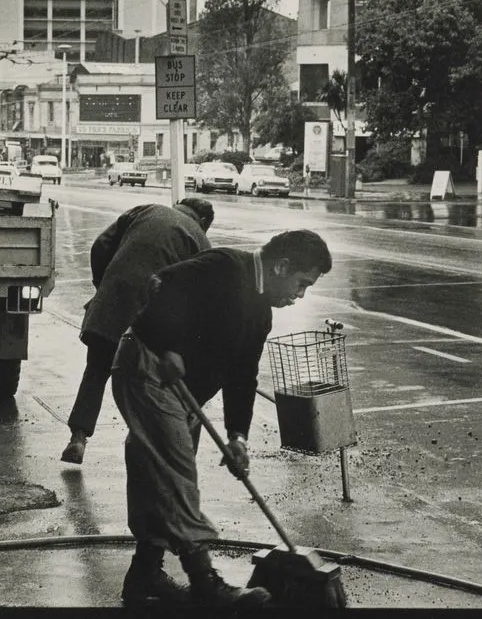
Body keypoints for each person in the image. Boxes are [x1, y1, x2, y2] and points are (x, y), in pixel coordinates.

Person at [112, 229, 332, 608]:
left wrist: (237, 437)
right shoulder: (225, 267)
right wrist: (169, 346)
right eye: (302, 284)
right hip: (151, 368)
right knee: (177, 474)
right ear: (281, 267)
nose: (300, 296)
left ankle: (145, 574)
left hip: (184, 393)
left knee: (155, 474)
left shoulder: (260, 314)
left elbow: (243, 376)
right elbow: (161, 283)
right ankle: (204, 582)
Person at [60, 198, 214, 465]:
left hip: (111, 305)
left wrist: (104, 285)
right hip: (150, 322)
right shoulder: (200, 240)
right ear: (204, 221)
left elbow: (101, 245)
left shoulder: (145, 211)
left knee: (96, 370)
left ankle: (78, 438)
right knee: (146, 385)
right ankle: (144, 447)